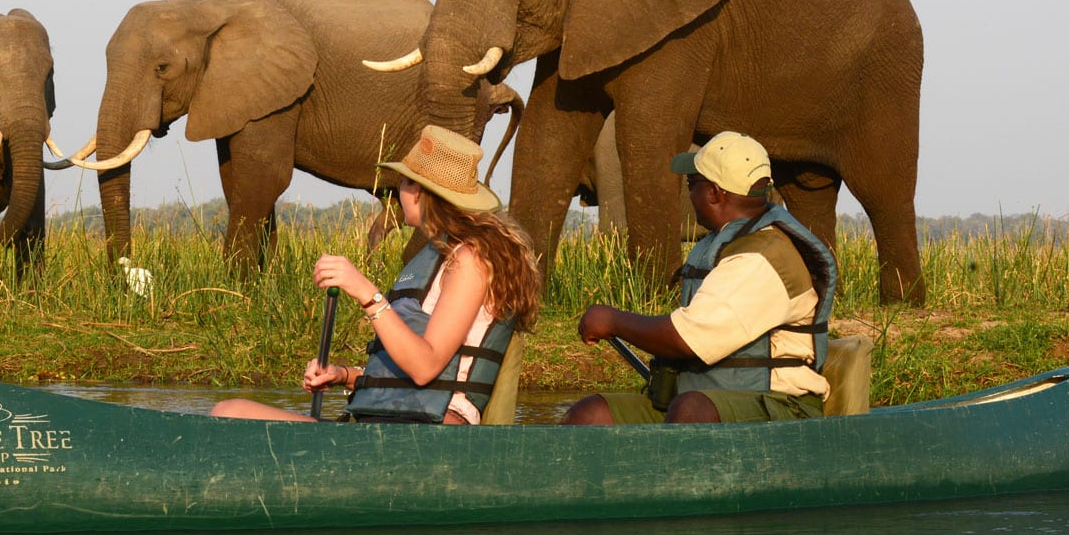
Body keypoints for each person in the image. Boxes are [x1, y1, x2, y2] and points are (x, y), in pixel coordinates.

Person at [211, 124, 543, 424]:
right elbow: (406, 372)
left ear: (420, 191)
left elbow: (426, 367)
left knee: (227, 415)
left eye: (403, 181)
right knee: (229, 412)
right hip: (391, 425)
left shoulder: (470, 260)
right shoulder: (439, 254)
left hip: (429, 433)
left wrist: (366, 294)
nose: (398, 191)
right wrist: (345, 375)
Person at [563, 131, 837, 425]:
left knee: (691, 410)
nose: (689, 195)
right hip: (706, 401)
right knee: (590, 414)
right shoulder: (723, 242)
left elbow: (686, 339)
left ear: (715, 193)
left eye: (691, 184)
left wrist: (612, 321)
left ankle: (675, 471)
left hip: (779, 407)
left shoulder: (761, 258)